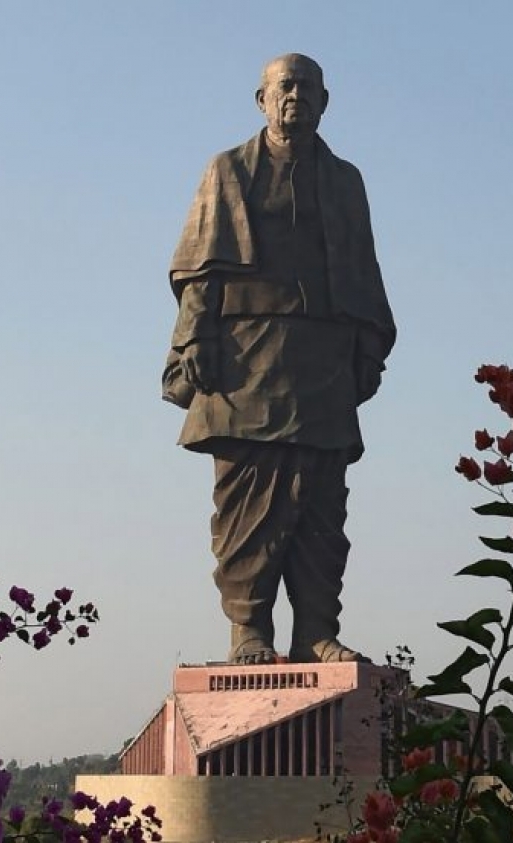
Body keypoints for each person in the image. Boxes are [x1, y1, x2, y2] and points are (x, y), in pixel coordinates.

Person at [163, 54, 395, 665]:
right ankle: (250, 628)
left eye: (307, 88)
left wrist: (368, 345)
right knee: (247, 500)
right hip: (245, 361)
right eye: (284, 87)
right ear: (261, 99)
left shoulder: (345, 180)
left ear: (325, 100)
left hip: (321, 360)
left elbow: (365, 271)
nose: (295, 96)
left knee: (322, 501)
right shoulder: (228, 170)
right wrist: (194, 341)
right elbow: (199, 270)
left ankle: (316, 629)